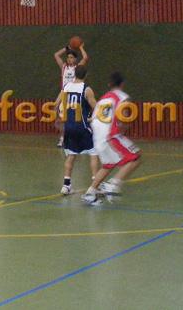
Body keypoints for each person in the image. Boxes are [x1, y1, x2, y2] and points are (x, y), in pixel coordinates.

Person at [82, 72, 141, 205]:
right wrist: (124, 128)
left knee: (108, 165)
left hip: (97, 134)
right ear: (123, 84)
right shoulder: (122, 97)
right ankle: (112, 185)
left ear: (110, 84)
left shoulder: (104, 98)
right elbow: (124, 116)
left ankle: (90, 193)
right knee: (135, 158)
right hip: (110, 134)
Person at [54, 65, 99, 195]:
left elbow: (56, 104)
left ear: (74, 74)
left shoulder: (66, 87)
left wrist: (58, 118)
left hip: (68, 126)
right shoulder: (86, 89)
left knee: (71, 155)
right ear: (86, 75)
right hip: (82, 126)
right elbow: (95, 106)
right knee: (94, 153)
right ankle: (96, 185)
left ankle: (66, 185)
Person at [54, 43, 89, 147]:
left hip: (75, 95)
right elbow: (56, 55)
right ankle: (62, 139)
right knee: (63, 119)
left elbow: (85, 58)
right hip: (64, 95)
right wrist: (67, 48)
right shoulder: (64, 67)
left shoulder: (78, 68)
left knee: (76, 119)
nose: (69, 59)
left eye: (71, 57)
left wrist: (80, 47)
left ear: (75, 59)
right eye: (68, 57)